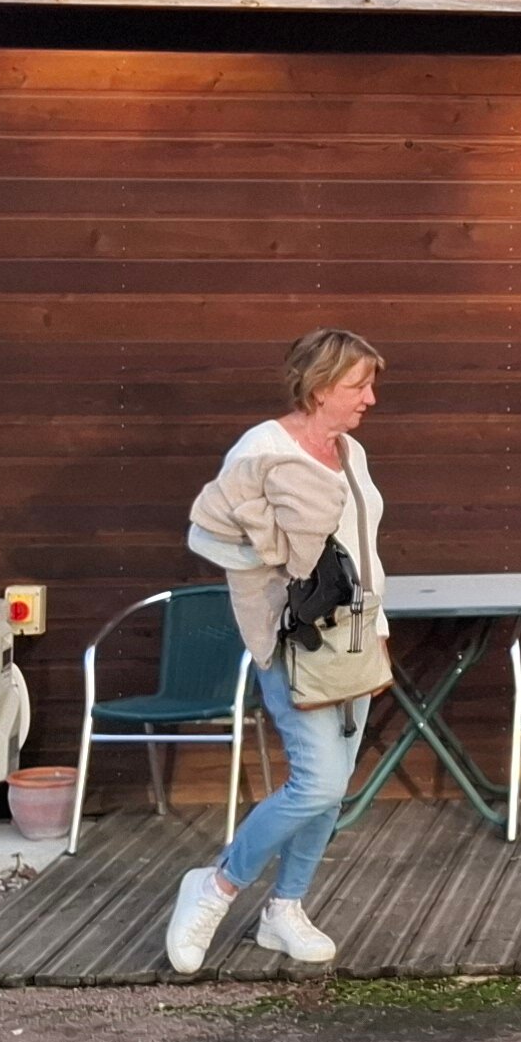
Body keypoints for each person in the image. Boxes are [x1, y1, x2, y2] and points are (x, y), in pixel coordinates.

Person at [165, 327, 391, 973]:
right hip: (292, 645)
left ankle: (284, 910)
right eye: (359, 386)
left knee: (333, 789)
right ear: (319, 389)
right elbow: (211, 533)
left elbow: (367, 548)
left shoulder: (352, 455)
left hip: (354, 639)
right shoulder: (261, 449)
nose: (370, 398)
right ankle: (216, 886)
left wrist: (380, 629)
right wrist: (277, 565)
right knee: (316, 781)